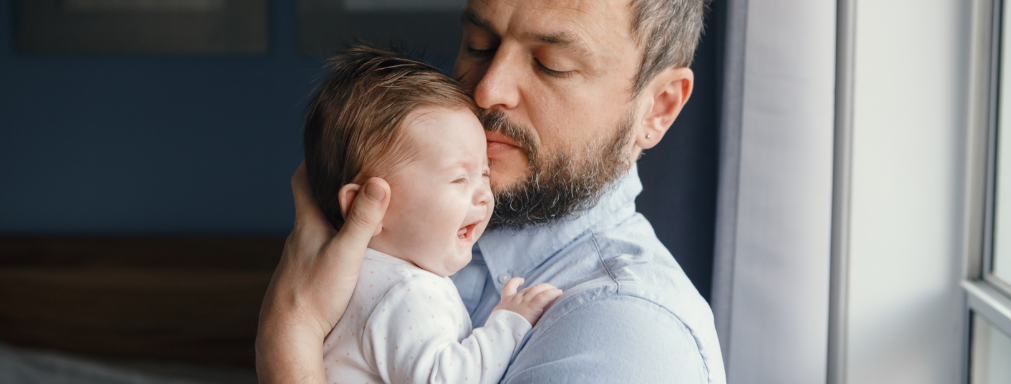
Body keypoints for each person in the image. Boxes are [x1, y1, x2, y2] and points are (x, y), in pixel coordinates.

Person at [256, 0, 725, 382]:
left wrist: (289, 333)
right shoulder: (411, 240)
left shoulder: (626, 337)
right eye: (479, 46)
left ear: (657, 109)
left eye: (551, 65)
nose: (487, 90)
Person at [304, 46, 562, 384]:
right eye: (459, 179)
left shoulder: (351, 280)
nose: (485, 196)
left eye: (484, 174)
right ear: (364, 207)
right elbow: (445, 378)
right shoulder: (407, 291)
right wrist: (508, 324)